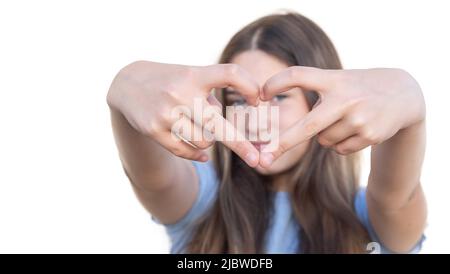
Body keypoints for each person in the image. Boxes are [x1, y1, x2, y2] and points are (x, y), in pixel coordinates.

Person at [106, 12, 426, 253]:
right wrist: (125, 86)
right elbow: (152, 176)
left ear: (321, 101)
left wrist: (409, 103)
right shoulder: (204, 198)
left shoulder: (366, 214)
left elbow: (395, 196)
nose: (256, 118)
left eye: (279, 96)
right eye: (236, 98)